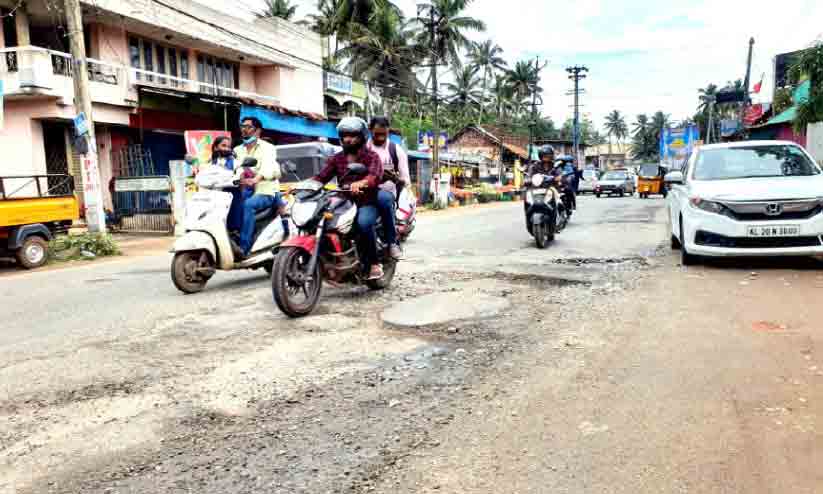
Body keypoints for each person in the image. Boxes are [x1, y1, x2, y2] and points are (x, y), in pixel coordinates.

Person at [312, 117, 385, 280]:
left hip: (365, 200)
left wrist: (362, 182)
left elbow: (375, 175)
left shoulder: (371, 156)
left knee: (364, 224)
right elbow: (322, 176)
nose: (347, 139)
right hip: (344, 201)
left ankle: (374, 264)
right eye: (344, 135)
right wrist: (308, 184)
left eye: (352, 135)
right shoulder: (337, 158)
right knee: (321, 221)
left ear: (362, 137)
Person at [235, 116, 287, 257]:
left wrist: (256, 179)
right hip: (242, 189)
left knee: (248, 205)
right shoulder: (237, 150)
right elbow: (231, 167)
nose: (244, 130)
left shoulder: (268, 148)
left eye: (249, 127)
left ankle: (244, 248)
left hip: (265, 190)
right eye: (242, 126)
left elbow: (270, 167)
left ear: (258, 131)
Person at [367, 116, 406, 260]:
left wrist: (396, 178)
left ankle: (392, 243)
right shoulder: (364, 149)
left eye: (384, 134)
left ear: (388, 131)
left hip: (387, 193)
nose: (381, 137)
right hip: (365, 192)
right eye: (377, 134)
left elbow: (405, 179)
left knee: (383, 199)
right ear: (370, 131)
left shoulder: (396, 150)